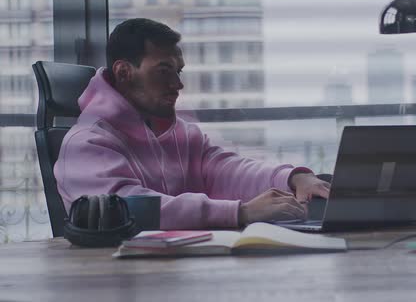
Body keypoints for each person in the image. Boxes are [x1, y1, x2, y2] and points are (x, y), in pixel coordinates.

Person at [54, 18, 330, 230]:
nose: (177, 84)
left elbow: (225, 168)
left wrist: (293, 178)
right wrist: (240, 213)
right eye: (164, 71)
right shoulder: (87, 143)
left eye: (178, 71)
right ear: (124, 72)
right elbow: (127, 207)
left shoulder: (181, 134)